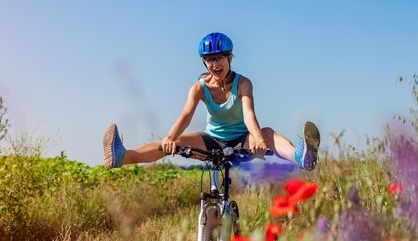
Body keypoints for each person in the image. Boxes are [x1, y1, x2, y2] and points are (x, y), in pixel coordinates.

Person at [103, 32, 320, 170]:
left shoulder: (243, 83)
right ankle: (123, 156)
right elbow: (186, 116)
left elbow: (249, 115)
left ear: (229, 58)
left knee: (268, 133)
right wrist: (170, 138)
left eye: (219, 59)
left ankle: (300, 157)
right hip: (211, 141)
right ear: (204, 62)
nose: (214, 64)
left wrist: (257, 139)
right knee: (172, 143)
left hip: (242, 141)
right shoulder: (199, 88)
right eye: (209, 60)